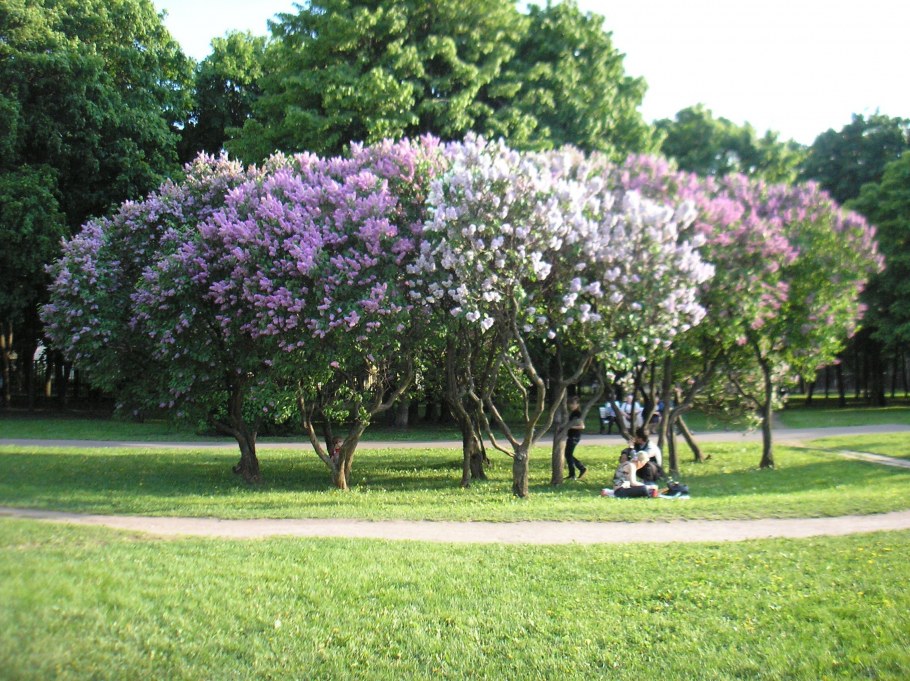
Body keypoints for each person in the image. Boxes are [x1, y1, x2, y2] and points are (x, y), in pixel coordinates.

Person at [565, 396, 587, 480]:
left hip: (574, 437)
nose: (571, 405)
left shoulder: (577, 414)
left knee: (568, 455)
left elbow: (582, 426)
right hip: (571, 436)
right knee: (568, 455)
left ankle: (574, 474)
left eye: (573, 404)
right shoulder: (573, 413)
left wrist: (570, 427)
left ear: (577, 404)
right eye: (570, 404)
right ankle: (579, 469)